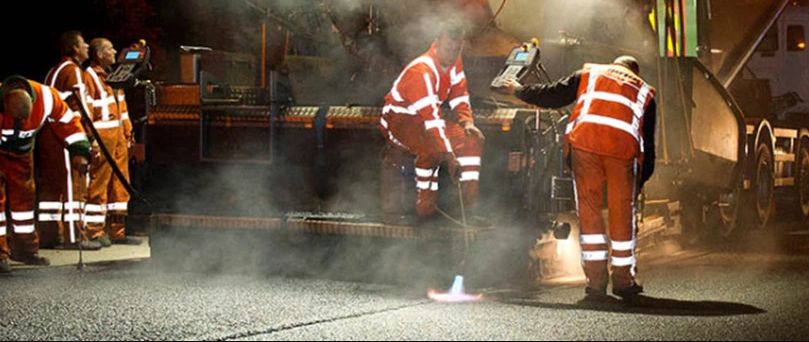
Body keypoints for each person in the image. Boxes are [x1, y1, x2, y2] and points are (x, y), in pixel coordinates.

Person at [503, 56, 657, 300]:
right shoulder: (644, 91)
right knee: (621, 215)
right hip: (621, 152)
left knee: (589, 213)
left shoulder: (591, 72)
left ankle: (595, 284)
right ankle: (623, 281)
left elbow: (553, 94)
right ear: (635, 71)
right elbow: (648, 148)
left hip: (585, 145)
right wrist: (639, 183)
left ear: (614, 64)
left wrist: (520, 91)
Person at [379, 19, 486, 226]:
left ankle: (465, 210)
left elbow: (459, 95)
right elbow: (432, 120)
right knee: (432, 148)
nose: (452, 55)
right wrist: (449, 154)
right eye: (448, 49)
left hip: (425, 121)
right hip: (400, 123)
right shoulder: (422, 72)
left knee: (471, 141)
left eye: (457, 50)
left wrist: (467, 123)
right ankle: (425, 209)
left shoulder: (454, 60)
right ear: (437, 43)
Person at [0, 76, 91, 273]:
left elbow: (68, 121)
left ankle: (25, 250)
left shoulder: (47, 97)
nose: (21, 123)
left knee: (24, 202)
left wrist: (79, 150)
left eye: (24, 119)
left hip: (21, 155)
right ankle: (0, 254)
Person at [38, 30, 102, 250]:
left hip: (47, 134)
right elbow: (81, 107)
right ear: (74, 48)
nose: (87, 48)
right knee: (73, 185)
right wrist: (88, 137)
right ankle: (75, 237)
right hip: (67, 135)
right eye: (83, 44)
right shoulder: (74, 72)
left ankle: (48, 235)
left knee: (51, 188)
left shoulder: (52, 72)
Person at [84, 38, 140, 246]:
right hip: (102, 137)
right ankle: (94, 231)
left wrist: (128, 133)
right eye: (110, 48)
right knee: (98, 184)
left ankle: (117, 232)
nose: (115, 51)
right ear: (99, 54)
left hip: (117, 138)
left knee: (120, 185)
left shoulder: (114, 77)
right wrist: (91, 138)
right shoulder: (89, 77)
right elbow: (87, 112)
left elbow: (122, 109)